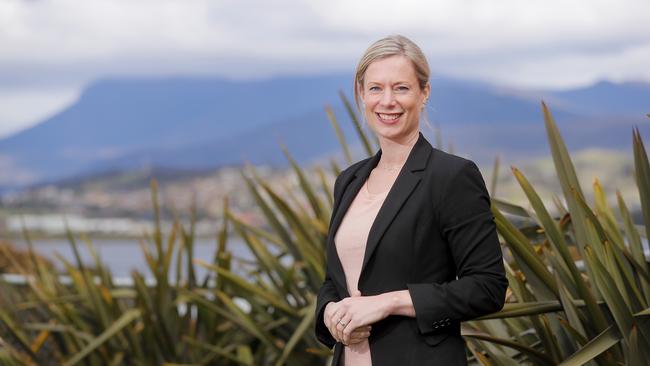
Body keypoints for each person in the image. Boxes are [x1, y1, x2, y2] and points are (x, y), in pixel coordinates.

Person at [314, 35, 508, 366]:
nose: (387, 101)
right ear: (361, 94)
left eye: (401, 88)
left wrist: (388, 303)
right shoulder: (348, 181)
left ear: (424, 93)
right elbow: (336, 280)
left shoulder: (450, 177)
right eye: (375, 88)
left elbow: (487, 287)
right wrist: (329, 311)